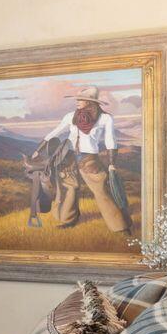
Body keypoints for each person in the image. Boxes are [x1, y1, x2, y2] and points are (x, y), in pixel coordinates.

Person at [37, 87, 133, 234]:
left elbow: (110, 140)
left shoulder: (105, 118)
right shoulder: (70, 116)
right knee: (70, 187)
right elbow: (56, 131)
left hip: (89, 158)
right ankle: (69, 220)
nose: (77, 102)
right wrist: (39, 149)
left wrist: (112, 163)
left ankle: (120, 227)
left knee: (101, 190)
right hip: (68, 156)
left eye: (81, 99)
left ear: (90, 102)